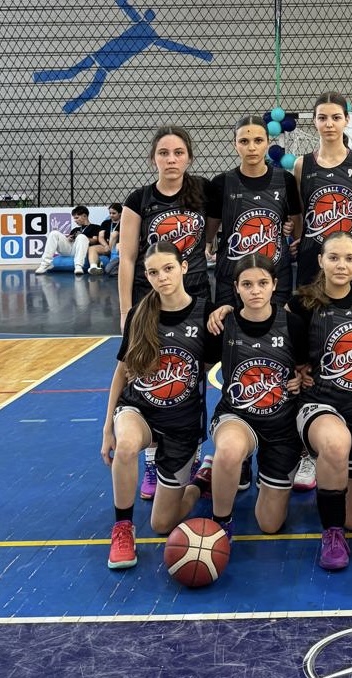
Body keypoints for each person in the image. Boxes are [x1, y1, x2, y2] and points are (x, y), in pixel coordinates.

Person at [100, 241, 218, 569]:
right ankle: (122, 528)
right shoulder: (140, 313)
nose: (162, 277)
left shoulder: (206, 314)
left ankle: (200, 480)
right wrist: (108, 427)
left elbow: (217, 364)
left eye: (168, 268)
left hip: (182, 423)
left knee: (163, 524)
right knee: (126, 446)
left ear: (184, 268)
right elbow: (122, 371)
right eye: (153, 272)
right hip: (139, 409)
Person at [118, 124, 213, 500]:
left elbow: (215, 230)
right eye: (163, 153)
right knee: (150, 373)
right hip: (151, 301)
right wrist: (126, 310)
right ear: (153, 158)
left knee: (192, 374)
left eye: (178, 153)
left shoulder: (204, 191)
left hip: (195, 297)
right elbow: (128, 258)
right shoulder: (139, 199)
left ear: (188, 157)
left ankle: (192, 453)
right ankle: (152, 459)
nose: (171, 159)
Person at [287, 231, 352, 571]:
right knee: (336, 443)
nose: (341, 265)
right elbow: (277, 341)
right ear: (320, 261)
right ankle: (331, 533)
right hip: (321, 405)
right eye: (334, 257)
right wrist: (296, 371)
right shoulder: (301, 303)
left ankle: (344, 477)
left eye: (349, 258)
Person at [204, 253, 303, 543]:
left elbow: (306, 370)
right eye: (247, 284)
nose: (255, 290)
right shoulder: (223, 324)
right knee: (230, 450)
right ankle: (221, 522)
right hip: (237, 416)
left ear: (275, 284)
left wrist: (301, 381)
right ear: (236, 287)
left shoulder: (293, 324)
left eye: (262, 283)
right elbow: (201, 367)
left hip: (282, 426)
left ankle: (226, 475)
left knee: (270, 524)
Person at [207, 115, 301, 308]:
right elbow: (209, 235)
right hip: (232, 278)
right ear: (235, 145)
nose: (251, 147)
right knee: (231, 326)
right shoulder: (222, 183)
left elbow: (297, 231)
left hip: (274, 278)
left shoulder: (285, 180)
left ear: (267, 142)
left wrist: (289, 229)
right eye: (244, 141)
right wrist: (207, 248)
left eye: (258, 140)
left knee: (277, 325)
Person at [292, 92, 352, 287]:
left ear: (346, 119)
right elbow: (301, 213)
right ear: (314, 121)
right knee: (310, 305)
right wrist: (300, 239)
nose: (329, 124)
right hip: (313, 256)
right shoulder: (302, 165)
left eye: (336, 117)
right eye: (322, 118)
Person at [35, 205, 101, 275]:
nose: (75, 220)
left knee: (81, 236)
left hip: (83, 250)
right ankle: (45, 264)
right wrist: (69, 239)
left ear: (84, 216)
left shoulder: (95, 227)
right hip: (71, 249)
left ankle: (78, 266)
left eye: (77, 218)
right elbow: (69, 241)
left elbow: (94, 241)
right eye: (74, 218)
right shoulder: (75, 229)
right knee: (54, 233)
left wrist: (82, 236)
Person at [88, 203, 122, 275]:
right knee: (92, 248)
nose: (111, 215)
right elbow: (100, 237)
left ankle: (113, 259)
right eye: (110, 213)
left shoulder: (124, 223)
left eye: (114, 213)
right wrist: (106, 246)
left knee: (114, 234)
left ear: (120, 213)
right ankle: (93, 267)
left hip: (118, 246)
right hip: (106, 246)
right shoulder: (106, 223)